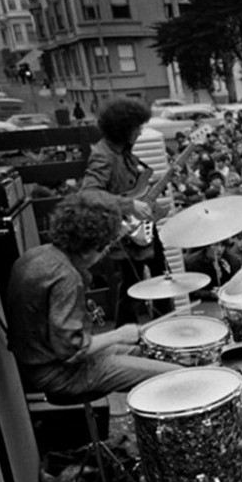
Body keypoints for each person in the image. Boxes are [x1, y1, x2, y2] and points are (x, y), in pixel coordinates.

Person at [6, 191, 182, 403]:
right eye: (104, 248)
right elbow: (73, 350)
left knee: (146, 353)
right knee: (178, 376)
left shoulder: (37, 254)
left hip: (37, 360)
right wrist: (119, 334)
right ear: (91, 247)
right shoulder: (66, 277)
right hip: (58, 373)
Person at [81, 98, 168, 326]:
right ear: (122, 129)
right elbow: (88, 194)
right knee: (130, 290)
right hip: (124, 231)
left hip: (142, 227)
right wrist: (130, 206)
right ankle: (125, 337)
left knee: (164, 279)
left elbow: (133, 187)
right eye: (136, 128)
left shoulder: (123, 151)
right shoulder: (103, 156)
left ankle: (167, 325)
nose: (140, 133)